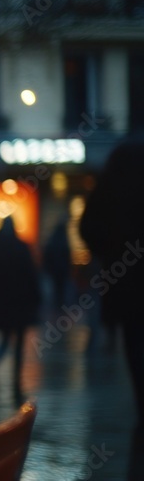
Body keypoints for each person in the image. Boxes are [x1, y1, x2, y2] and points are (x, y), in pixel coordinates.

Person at [79, 136, 144, 434]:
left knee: (134, 345)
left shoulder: (109, 186)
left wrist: (111, 251)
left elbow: (87, 228)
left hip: (125, 286)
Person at [0, 216, 41, 402]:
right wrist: (36, 299)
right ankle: (16, 386)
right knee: (19, 345)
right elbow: (31, 276)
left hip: (1, 305)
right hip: (20, 304)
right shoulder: (22, 247)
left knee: (5, 341)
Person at [43, 220, 72, 309]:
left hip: (54, 270)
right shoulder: (64, 241)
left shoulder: (53, 240)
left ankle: (56, 306)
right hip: (62, 270)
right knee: (61, 290)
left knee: (55, 290)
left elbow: (47, 256)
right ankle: (60, 306)